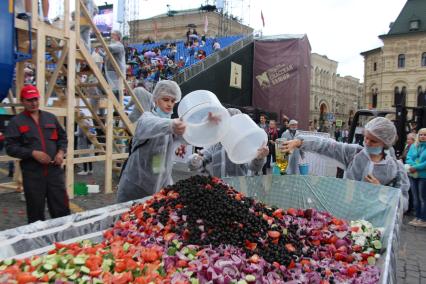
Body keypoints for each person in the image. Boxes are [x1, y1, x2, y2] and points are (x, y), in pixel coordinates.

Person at [282, 117, 409, 212]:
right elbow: (328, 146)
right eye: (366, 138)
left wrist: (380, 190)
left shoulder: (395, 169)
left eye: (373, 141)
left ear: (385, 142)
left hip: (377, 221)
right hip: (348, 213)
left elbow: (402, 204)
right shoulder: (355, 154)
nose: (367, 143)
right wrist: (299, 142)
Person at [5, 85, 70, 223]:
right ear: (22, 101)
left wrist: (61, 152)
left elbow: (62, 138)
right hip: (33, 174)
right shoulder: (16, 122)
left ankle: (65, 240)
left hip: (54, 172)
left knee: (61, 209)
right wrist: (32, 153)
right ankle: (39, 242)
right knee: (35, 213)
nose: (33, 103)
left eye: (35, 99)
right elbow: (10, 147)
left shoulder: (50, 118)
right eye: (29, 100)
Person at [117, 80, 186, 203]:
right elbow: (152, 125)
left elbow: (188, 134)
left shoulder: (172, 126)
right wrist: (171, 125)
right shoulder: (147, 118)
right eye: (165, 99)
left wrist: (207, 122)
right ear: (155, 99)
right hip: (135, 187)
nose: (170, 104)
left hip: (160, 187)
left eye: (173, 101)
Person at [189, 108, 268, 177]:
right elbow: (197, 163)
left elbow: (254, 168)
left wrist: (259, 158)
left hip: (240, 191)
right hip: (219, 190)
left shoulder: (246, 145)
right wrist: (195, 159)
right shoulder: (216, 144)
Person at [406, 129, 426, 227]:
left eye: (425, 135)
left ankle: (423, 219)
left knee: (422, 198)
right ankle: (417, 217)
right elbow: (408, 157)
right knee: (415, 197)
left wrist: (416, 167)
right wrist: (412, 165)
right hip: (412, 175)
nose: (423, 136)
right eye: (421, 134)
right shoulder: (414, 146)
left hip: (423, 176)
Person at [105, 30, 126, 101]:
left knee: (117, 90)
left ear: (118, 36)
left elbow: (111, 48)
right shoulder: (112, 45)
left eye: (113, 34)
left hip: (117, 71)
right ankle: (115, 107)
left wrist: (102, 44)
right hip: (110, 70)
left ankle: (119, 108)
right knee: (112, 90)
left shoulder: (119, 45)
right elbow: (105, 55)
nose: (111, 36)